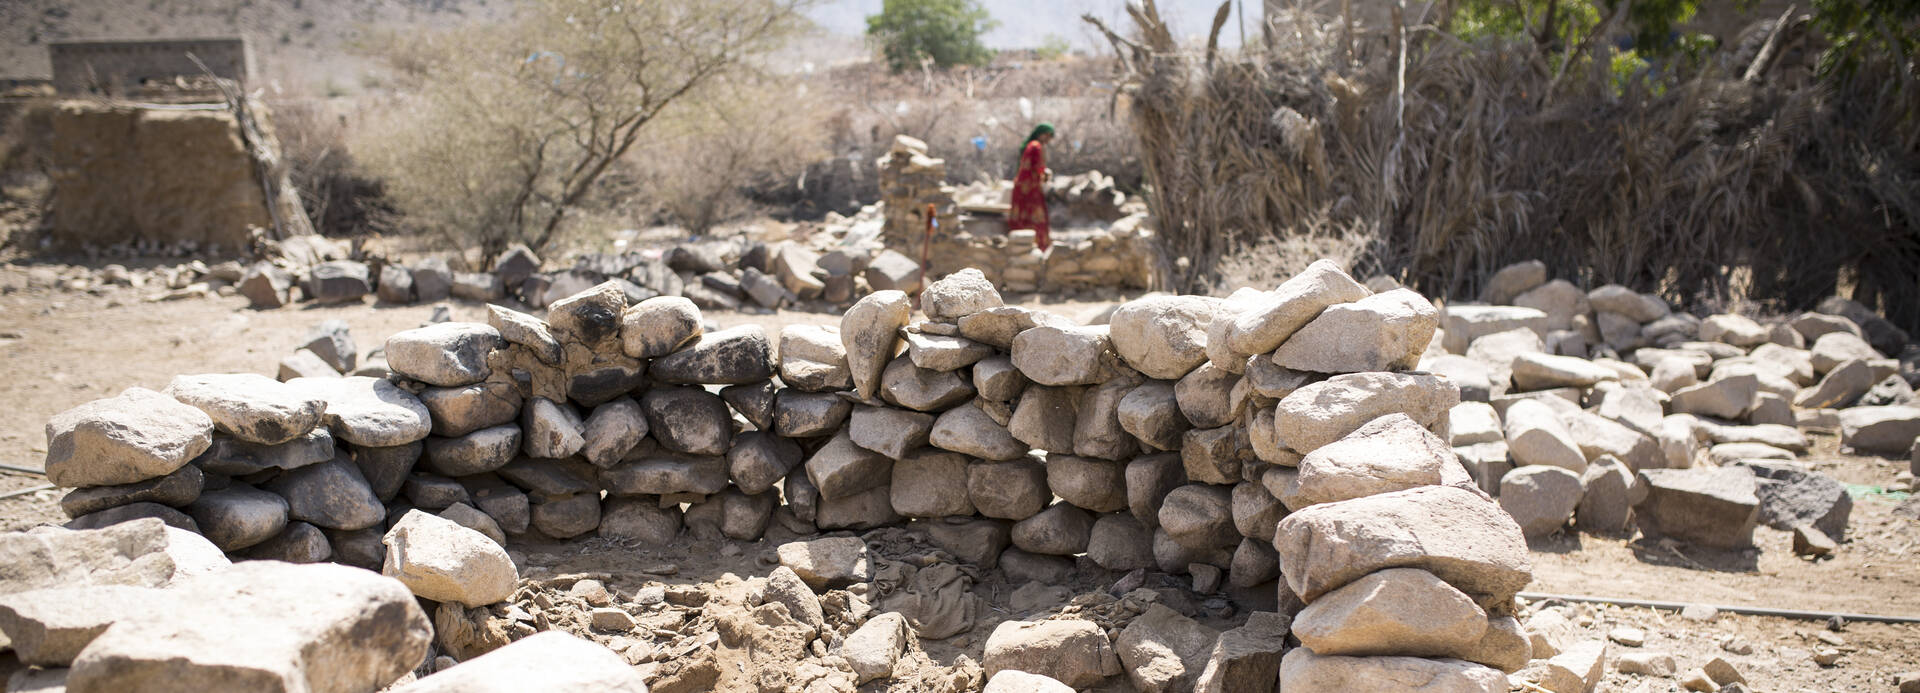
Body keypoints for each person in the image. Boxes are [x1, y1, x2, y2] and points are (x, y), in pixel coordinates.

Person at [1007, 122, 1055, 251]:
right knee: (1036, 216)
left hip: (1023, 186)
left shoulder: (1030, 145)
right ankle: (1038, 245)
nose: (1048, 140)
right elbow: (1038, 167)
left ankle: (1022, 244)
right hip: (1030, 187)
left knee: (1024, 214)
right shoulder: (1036, 146)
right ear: (1041, 134)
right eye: (1047, 136)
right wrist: (1045, 174)